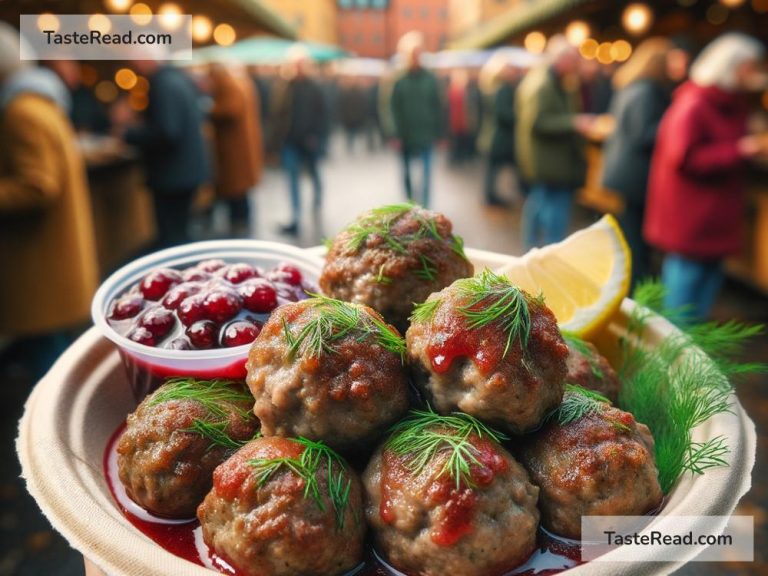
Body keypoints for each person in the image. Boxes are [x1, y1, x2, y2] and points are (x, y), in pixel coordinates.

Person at [644, 33, 767, 322]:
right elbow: (684, 158)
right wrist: (741, 149)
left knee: (701, 302)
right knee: (681, 308)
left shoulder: (732, 103)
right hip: (692, 218)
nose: (755, 73)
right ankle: (670, 363)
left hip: (716, 216)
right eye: (750, 66)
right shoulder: (694, 103)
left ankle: (689, 359)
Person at [0, 23, 99, 377]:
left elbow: (37, 185)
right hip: (52, 254)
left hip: (39, 257)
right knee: (52, 344)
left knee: (49, 357)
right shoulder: (39, 102)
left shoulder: (19, 111)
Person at [114, 49, 209, 249]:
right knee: (180, 232)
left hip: (173, 175)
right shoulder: (177, 78)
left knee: (173, 240)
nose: (132, 61)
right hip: (185, 170)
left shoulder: (162, 84)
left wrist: (129, 135)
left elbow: (167, 132)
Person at [601, 38, 674, 288]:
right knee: (635, 239)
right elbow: (643, 133)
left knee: (630, 234)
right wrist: (674, 125)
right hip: (636, 175)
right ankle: (634, 288)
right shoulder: (647, 91)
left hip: (624, 170)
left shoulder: (630, 86)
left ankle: (632, 284)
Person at [516, 36, 594, 250]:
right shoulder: (543, 84)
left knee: (539, 204)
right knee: (551, 208)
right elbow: (537, 122)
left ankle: (533, 248)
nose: (576, 64)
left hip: (551, 159)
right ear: (561, 59)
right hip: (548, 159)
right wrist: (573, 123)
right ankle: (547, 250)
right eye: (572, 59)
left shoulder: (555, 80)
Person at [270, 48, 327, 236]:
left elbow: (323, 115)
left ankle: (317, 202)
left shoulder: (315, 87)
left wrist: (317, 137)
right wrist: (275, 141)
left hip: (309, 141)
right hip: (290, 142)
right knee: (292, 179)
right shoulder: (284, 86)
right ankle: (295, 216)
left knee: (314, 174)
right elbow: (278, 115)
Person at [209, 63, 263, 237]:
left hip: (234, 151)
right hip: (238, 149)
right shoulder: (241, 83)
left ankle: (240, 221)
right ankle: (241, 220)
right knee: (240, 190)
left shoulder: (230, 87)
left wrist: (209, 110)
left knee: (237, 190)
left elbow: (231, 110)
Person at [390, 32, 443, 207]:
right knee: (407, 174)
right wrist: (394, 133)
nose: (416, 57)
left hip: (426, 133)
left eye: (419, 53)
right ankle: (410, 204)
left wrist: (440, 132)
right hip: (405, 134)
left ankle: (425, 208)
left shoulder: (430, 79)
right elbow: (392, 108)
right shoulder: (399, 81)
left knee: (426, 174)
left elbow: (437, 106)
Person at [483, 58, 521, 207]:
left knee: (493, 169)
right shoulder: (503, 89)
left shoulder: (493, 88)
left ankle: (492, 196)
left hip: (495, 136)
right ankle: (493, 196)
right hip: (500, 138)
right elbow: (503, 114)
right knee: (496, 168)